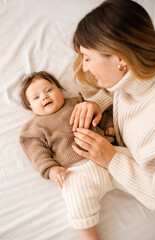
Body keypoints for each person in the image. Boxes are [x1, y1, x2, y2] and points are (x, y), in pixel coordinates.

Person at [70, 1, 155, 238]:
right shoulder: (142, 66)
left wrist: (111, 159)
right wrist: (97, 102)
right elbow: (124, 87)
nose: (86, 68)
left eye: (87, 58)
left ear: (120, 58)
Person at [19, 71, 115, 240]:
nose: (44, 97)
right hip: (76, 172)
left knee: (134, 164)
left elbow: (99, 115)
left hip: (107, 154)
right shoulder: (34, 128)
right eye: (36, 98)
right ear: (30, 108)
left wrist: (109, 126)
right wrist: (51, 169)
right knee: (77, 202)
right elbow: (38, 154)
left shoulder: (78, 103)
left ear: (60, 90)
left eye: (49, 90)